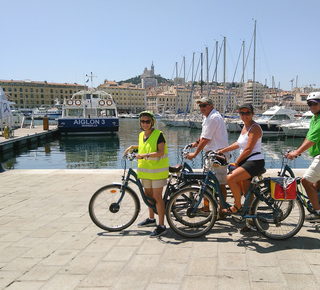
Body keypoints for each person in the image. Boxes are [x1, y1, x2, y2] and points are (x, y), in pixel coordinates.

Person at [124, 111, 169, 237]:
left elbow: (160, 152)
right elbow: (145, 147)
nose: (145, 124)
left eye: (147, 121)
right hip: (145, 171)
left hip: (157, 171)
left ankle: (161, 225)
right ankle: (151, 219)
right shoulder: (141, 135)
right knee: (148, 196)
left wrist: (144, 155)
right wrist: (133, 147)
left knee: (157, 198)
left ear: (152, 122)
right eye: (142, 121)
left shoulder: (158, 134)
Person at [186, 97, 229, 220]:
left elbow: (206, 139)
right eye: (200, 106)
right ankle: (206, 208)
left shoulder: (214, 118)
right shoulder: (208, 117)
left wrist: (194, 154)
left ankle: (222, 211)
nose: (201, 108)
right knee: (205, 182)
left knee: (220, 184)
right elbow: (204, 134)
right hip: (211, 155)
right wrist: (196, 142)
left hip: (218, 156)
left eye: (204, 105)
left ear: (211, 105)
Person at [218, 103, 264, 215]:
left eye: (247, 113)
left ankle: (237, 206)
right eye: (242, 113)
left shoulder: (255, 128)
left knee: (230, 178)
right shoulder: (245, 126)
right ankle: (251, 219)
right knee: (246, 192)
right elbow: (238, 144)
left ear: (252, 114)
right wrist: (222, 150)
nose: (244, 115)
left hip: (254, 161)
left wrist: (237, 162)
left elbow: (248, 149)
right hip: (247, 161)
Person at [286, 92, 320, 220]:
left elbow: (312, 141)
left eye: (314, 103)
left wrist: (297, 152)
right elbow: (308, 137)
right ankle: (316, 204)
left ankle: (317, 213)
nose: (311, 106)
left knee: (306, 182)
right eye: (309, 104)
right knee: (317, 183)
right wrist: (297, 150)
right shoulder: (314, 118)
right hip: (317, 155)